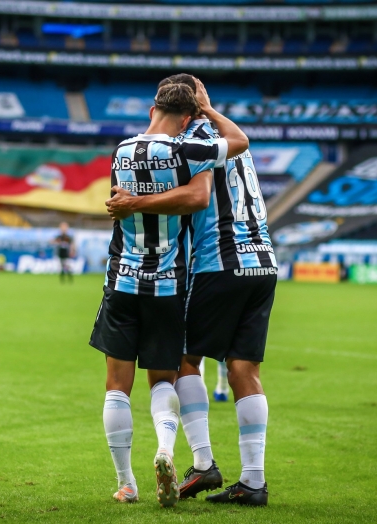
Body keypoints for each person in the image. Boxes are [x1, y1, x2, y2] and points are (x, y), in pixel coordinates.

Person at [106, 74, 277, 507]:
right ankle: (253, 482)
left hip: (218, 260)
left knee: (180, 360)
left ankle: (203, 463)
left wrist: (135, 202)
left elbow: (197, 197)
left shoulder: (189, 140)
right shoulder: (231, 136)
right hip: (263, 259)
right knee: (244, 370)